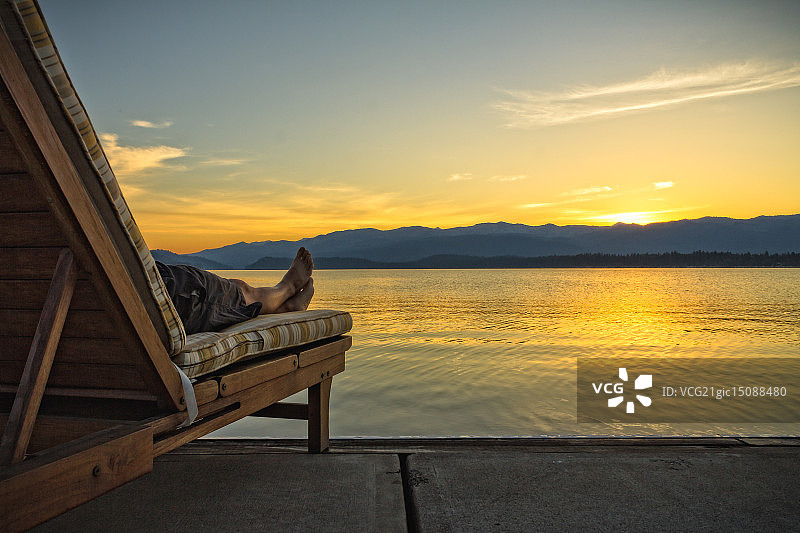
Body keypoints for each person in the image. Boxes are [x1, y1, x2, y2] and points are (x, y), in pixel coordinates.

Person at [156, 247, 315, 335]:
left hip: (161, 293)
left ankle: (286, 307)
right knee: (242, 292)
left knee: (235, 296)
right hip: (168, 293)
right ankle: (288, 287)